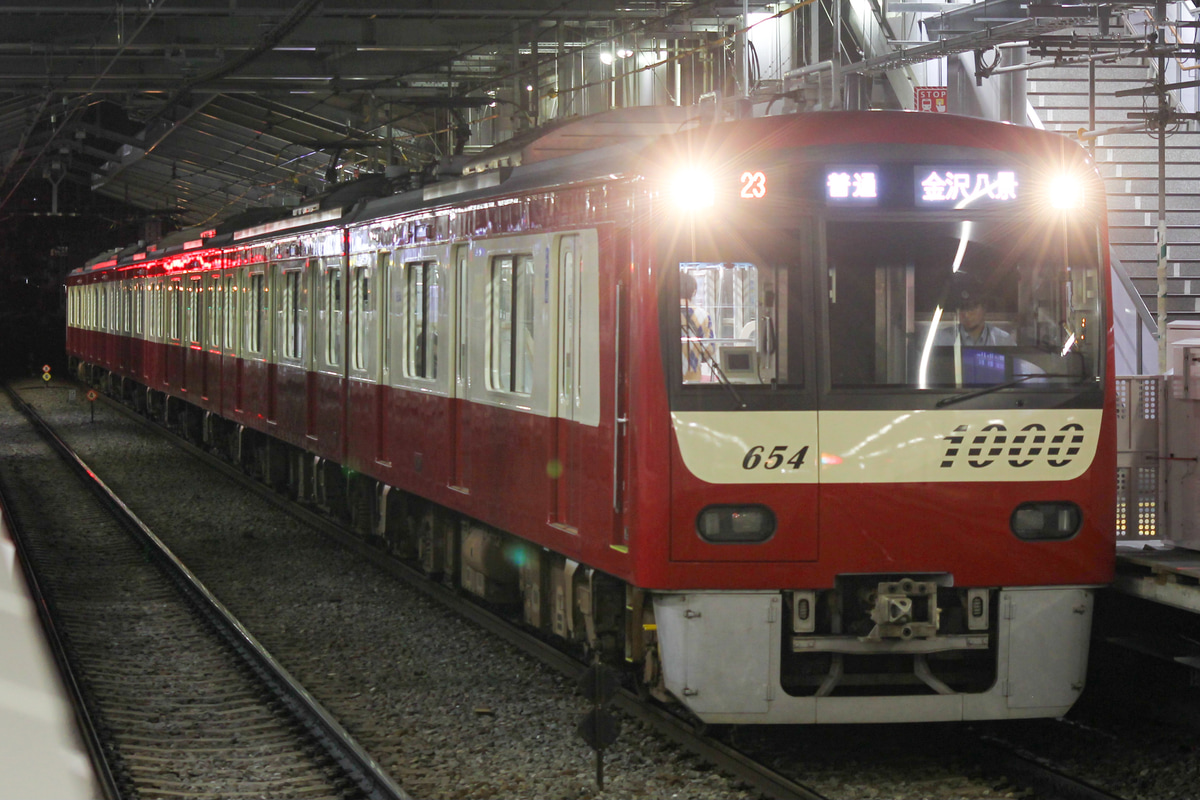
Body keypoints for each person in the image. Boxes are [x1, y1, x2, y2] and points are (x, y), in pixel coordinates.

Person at [935, 272, 1014, 347]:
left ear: (984, 308)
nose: (966, 314)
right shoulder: (942, 339)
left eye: (971, 308)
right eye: (962, 308)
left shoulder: (1002, 340)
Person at [680, 270, 714, 381]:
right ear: (694, 292)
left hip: (666, 378)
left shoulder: (663, 314)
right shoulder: (704, 316)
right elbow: (709, 349)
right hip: (693, 380)